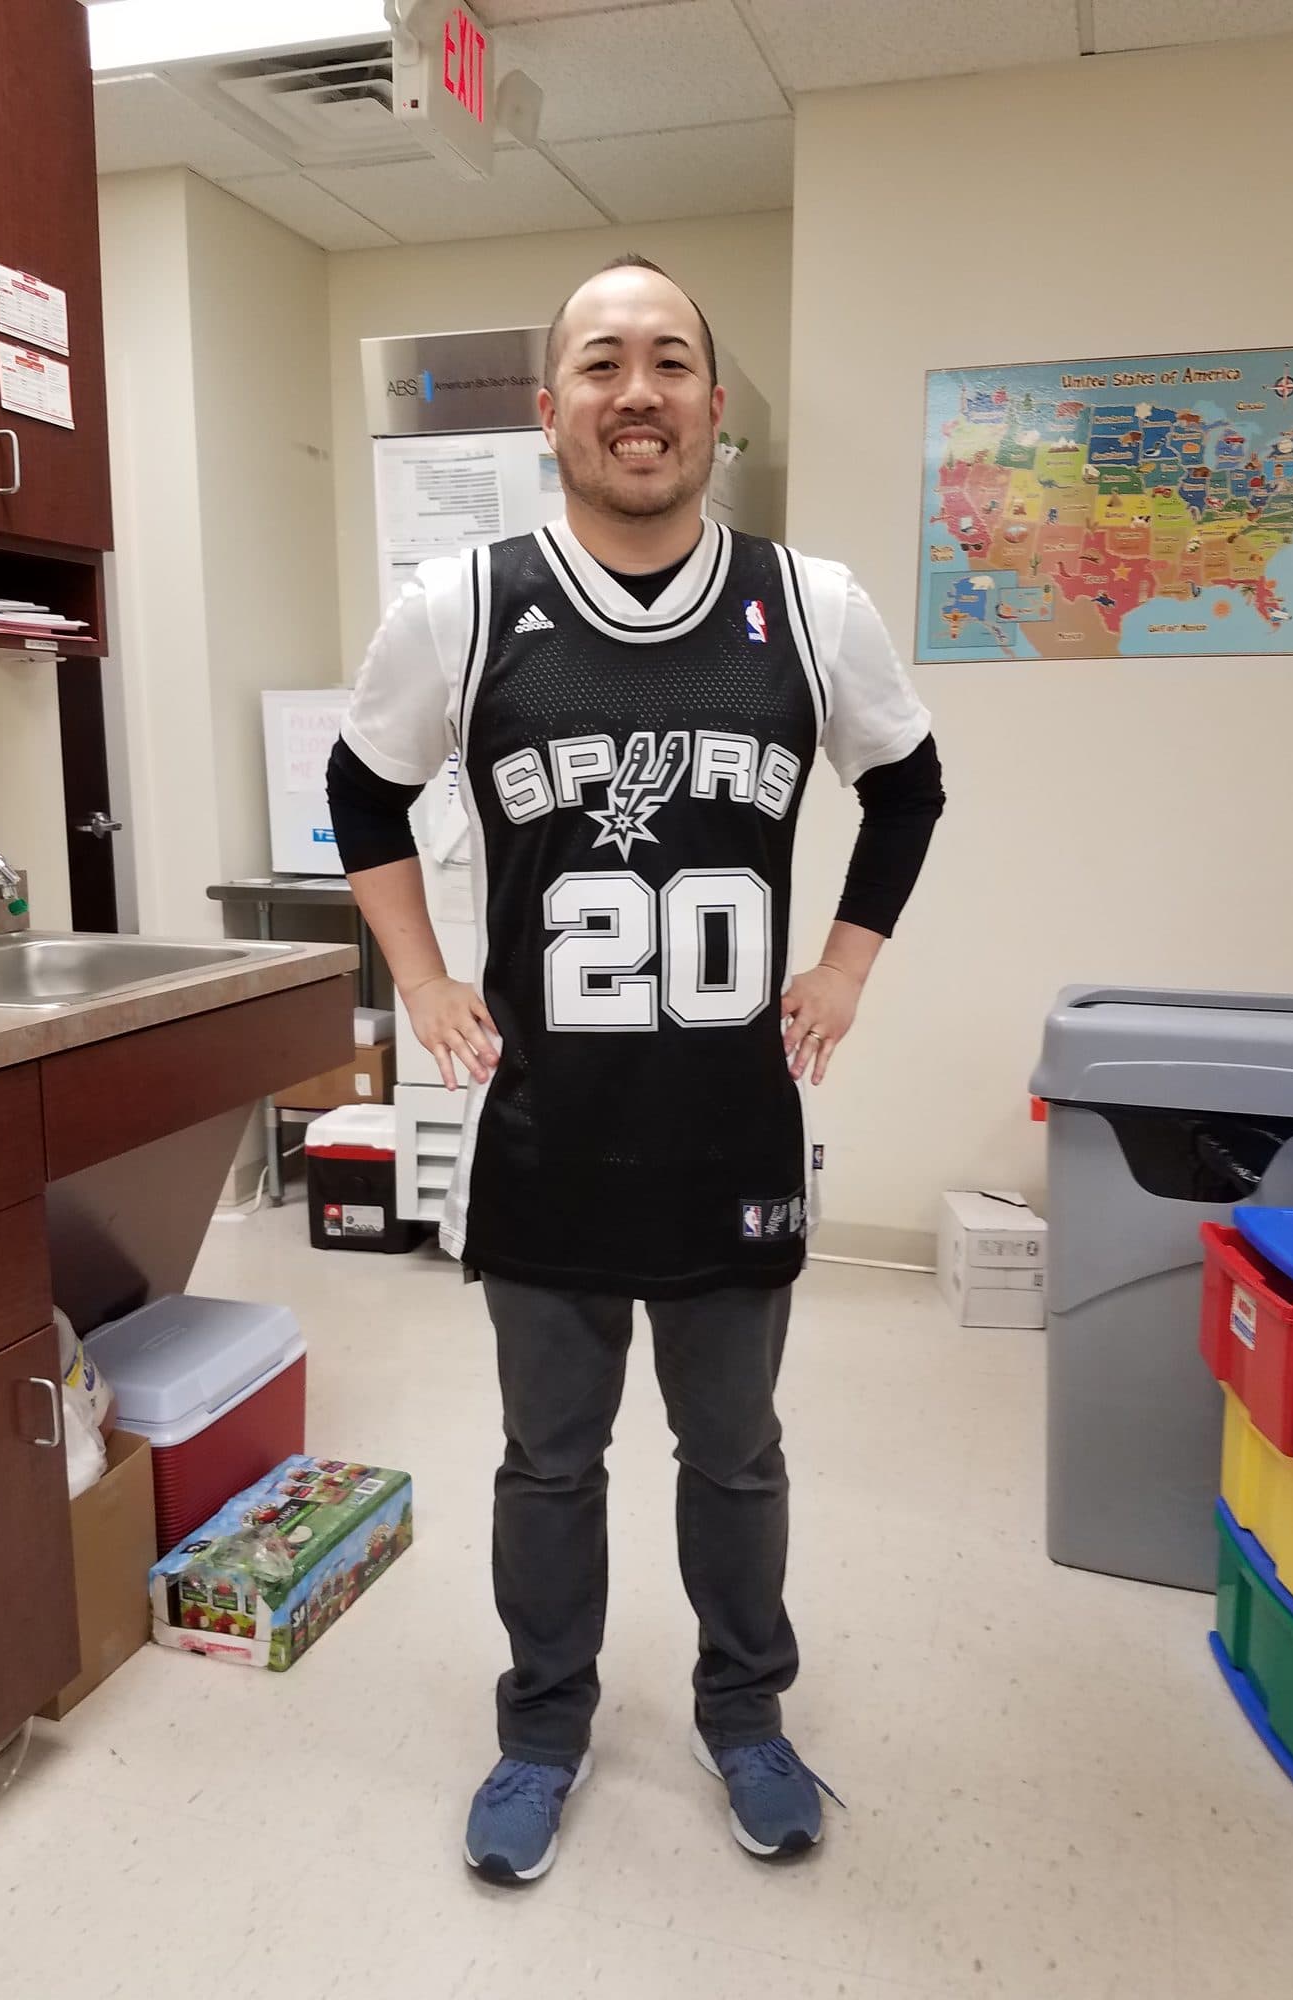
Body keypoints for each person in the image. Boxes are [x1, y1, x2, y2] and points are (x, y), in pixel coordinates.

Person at [327, 256, 945, 1885]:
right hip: (549, 1134)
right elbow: (361, 785)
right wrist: (422, 977)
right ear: (551, 414)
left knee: (735, 1454)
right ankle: (542, 1729)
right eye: (601, 364)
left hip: (730, 1132)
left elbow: (911, 785)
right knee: (549, 1457)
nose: (639, 392)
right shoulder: (463, 607)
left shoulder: (811, 605)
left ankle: (746, 1715)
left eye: (671, 361)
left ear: (715, 407)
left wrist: (847, 967)